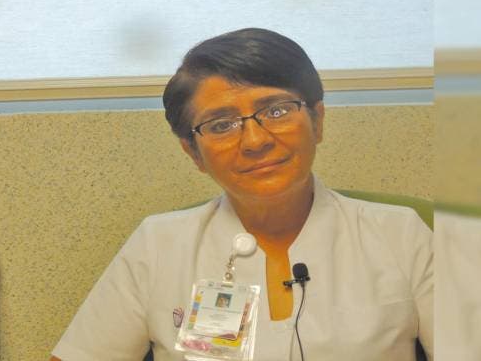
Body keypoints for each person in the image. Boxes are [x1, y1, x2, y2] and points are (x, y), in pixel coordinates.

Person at [51, 28, 433, 360]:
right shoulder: (157, 246)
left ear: (317, 120)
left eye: (277, 111)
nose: (254, 141)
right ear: (193, 153)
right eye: (222, 125)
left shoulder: (401, 235)